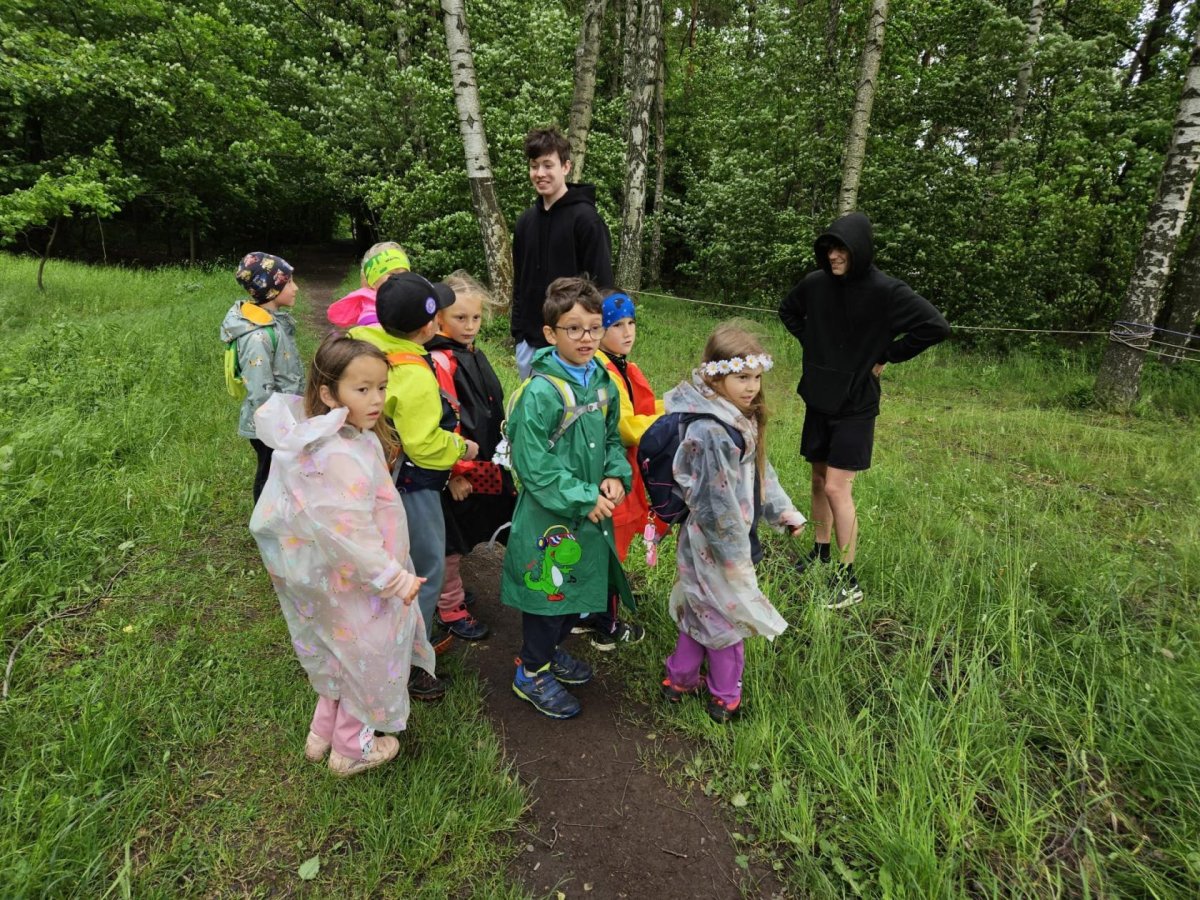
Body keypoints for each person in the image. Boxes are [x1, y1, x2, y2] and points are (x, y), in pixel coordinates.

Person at [249, 335, 434, 776]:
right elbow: (348, 532)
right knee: (366, 656)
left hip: (324, 576)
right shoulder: (337, 452)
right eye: (362, 389)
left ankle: (322, 734)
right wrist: (393, 577)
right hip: (359, 578)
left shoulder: (320, 438)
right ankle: (351, 750)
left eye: (382, 387)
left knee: (337, 650)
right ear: (329, 393)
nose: (377, 399)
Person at [778, 211, 949, 608]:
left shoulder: (886, 291)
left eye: (841, 249)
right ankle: (821, 552)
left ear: (860, 249)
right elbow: (788, 311)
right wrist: (814, 344)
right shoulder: (816, 283)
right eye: (829, 249)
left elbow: (936, 326)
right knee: (818, 479)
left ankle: (847, 579)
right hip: (819, 395)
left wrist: (888, 354)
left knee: (837, 487)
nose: (833, 256)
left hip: (856, 402)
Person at [659, 323, 806, 723]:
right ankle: (725, 697)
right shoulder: (711, 429)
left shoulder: (737, 418)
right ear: (715, 376)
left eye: (756, 377)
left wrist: (782, 512)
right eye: (742, 378)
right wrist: (734, 558)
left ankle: (679, 679)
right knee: (727, 617)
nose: (752, 387)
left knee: (701, 607)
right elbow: (714, 504)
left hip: (726, 536)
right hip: (715, 542)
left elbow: (759, 472)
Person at [500, 277, 633, 719]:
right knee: (548, 595)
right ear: (550, 332)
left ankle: (548, 653)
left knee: (576, 589)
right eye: (573, 329)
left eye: (594, 328)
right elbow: (533, 465)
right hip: (551, 517)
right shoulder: (540, 392)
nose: (586, 338)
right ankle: (530, 671)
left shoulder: (602, 379)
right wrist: (584, 497)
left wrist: (615, 474)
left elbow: (612, 438)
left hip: (588, 512)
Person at [349, 273, 480, 702]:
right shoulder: (414, 373)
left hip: (370, 476)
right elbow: (424, 446)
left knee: (387, 560)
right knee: (424, 567)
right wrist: (462, 447)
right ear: (429, 326)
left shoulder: (365, 342)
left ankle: (389, 635)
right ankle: (409, 661)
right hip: (411, 483)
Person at [425, 271, 517, 641]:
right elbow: (441, 422)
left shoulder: (472, 352)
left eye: (476, 317)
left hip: (486, 463)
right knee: (452, 539)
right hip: (458, 470)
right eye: (460, 318)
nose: (470, 325)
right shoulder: (439, 361)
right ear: (439, 319)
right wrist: (454, 472)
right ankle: (449, 607)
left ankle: (451, 592)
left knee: (479, 523)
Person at [573, 290, 662, 650]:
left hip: (615, 469)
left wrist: (669, 404)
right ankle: (601, 620)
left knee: (603, 541)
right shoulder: (603, 371)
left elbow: (640, 409)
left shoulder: (618, 364)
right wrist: (668, 416)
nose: (628, 332)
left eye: (631, 323)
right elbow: (626, 428)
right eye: (616, 325)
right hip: (607, 473)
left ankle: (585, 610)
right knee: (608, 542)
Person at [511, 126, 613, 380]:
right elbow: (519, 284)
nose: (540, 173)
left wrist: (592, 337)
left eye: (548, 165)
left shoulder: (587, 220)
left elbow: (602, 286)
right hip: (530, 346)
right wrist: (519, 333)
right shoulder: (525, 222)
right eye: (534, 166)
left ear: (566, 167)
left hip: (573, 344)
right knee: (534, 404)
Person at [220, 251, 305, 502]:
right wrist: (277, 428)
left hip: (284, 418)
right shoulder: (258, 336)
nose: (296, 288)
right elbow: (260, 392)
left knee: (281, 472)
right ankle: (265, 517)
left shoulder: (273, 322)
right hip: (270, 425)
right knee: (268, 476)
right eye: (288, 282)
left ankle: (281, 511)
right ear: (270, 290)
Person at [326, 241, 411, 329]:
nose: (401, 278)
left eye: (405, 274)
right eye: (392, 274)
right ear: (373, 281)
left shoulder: (406, 298)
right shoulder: (371, 314)